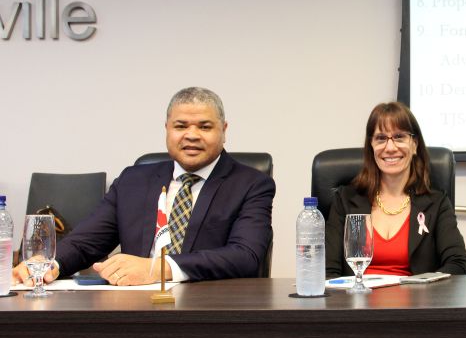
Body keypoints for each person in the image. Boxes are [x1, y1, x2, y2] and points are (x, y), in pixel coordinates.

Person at [12, 87, 275, 286]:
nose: (192, 135)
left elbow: (246, 256)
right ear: (167, 129)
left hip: (210, 309)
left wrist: (157, 269)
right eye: (180, 126)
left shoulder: (252, 184)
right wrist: (50, 263)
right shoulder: (133, 180)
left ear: (224, 130)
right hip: (135, 308)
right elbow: (85, 243)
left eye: (205, 127)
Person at [325, 102, 466, 278]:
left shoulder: (436, 203)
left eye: (399, 137)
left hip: (415, 295)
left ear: (414, 144)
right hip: (356, 295)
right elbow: (327, 271)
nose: (390, 147)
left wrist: (423, 286)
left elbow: (458, 264)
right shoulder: (346, 200)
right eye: (381, 138)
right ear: (371, 146)